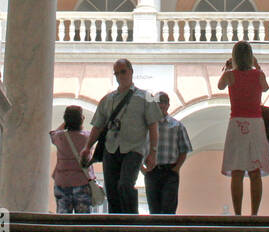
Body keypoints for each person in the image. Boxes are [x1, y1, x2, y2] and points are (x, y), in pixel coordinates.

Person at [84, 58, 160, 214]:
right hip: (110, 149)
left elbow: (153, 126)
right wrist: (87, 147)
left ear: (131, 72)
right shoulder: (107, 99)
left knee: (125, 184)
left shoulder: (147, 97)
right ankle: (115, 224)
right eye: (117, 73)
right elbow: (97, 126)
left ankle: (132, 220)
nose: (120, 76)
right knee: (111, 189)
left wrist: (153, 152)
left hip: (134, 149)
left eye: (123, 72)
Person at [217, 40, 269, 215]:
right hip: (255, 123)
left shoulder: (230, 75)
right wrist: (257, 65)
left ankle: (238, 213)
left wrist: (227, 68)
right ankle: (254, 213)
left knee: (237, 170)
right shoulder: (258, 75)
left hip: (237, 123)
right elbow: (265, 88)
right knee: (255, 171)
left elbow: (219, 86)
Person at [144, 91, 192, 214]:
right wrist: (142, 169)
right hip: (152, 171)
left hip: (170, 171)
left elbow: (184, 149)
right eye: (159, 102)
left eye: (164, 102)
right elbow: (137, 148)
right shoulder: (146, 126)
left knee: (169, 209)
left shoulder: (177, 126)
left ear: (168, 105)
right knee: (154, 209)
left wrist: (176, 168)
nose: (161, 105)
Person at [50, 105, 95, 214]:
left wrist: (66, 123)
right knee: (83, 221)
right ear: (81, 119)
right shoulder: (87, 137)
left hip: (62, 182)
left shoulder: (60, 137)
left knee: (63, 218)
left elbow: (52, 134)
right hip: (82, 182)